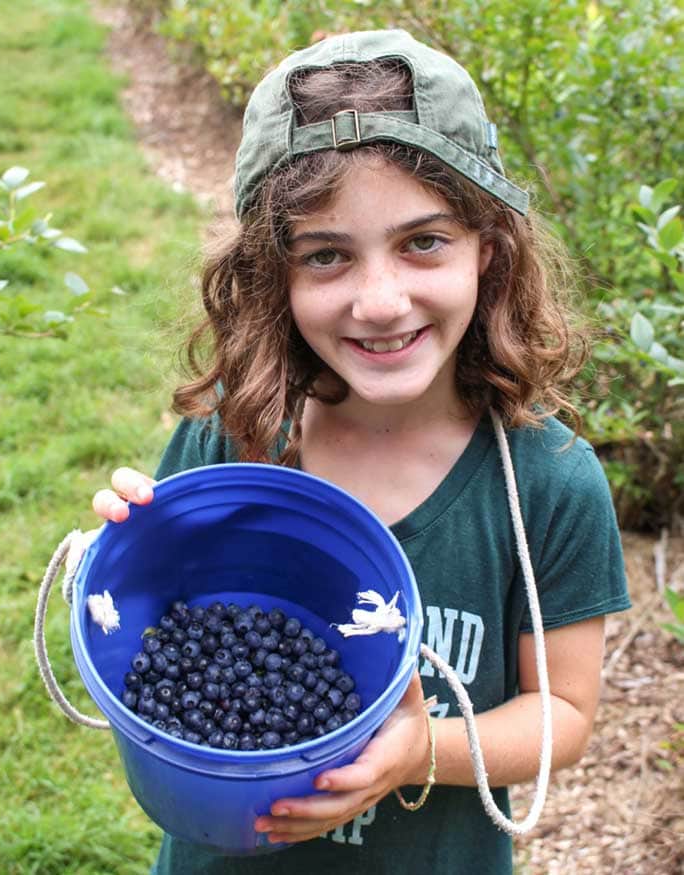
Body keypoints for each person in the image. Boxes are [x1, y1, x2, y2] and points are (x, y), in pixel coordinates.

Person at [91, 29, 630, 875]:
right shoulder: (237, 438)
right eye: (328, 256)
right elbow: (164, 628)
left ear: (488, 252)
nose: (380, 302)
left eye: (424, 242)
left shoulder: (546, 485)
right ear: (277, 275)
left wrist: (420, 751)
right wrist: (128, 549)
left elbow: (563, 710)